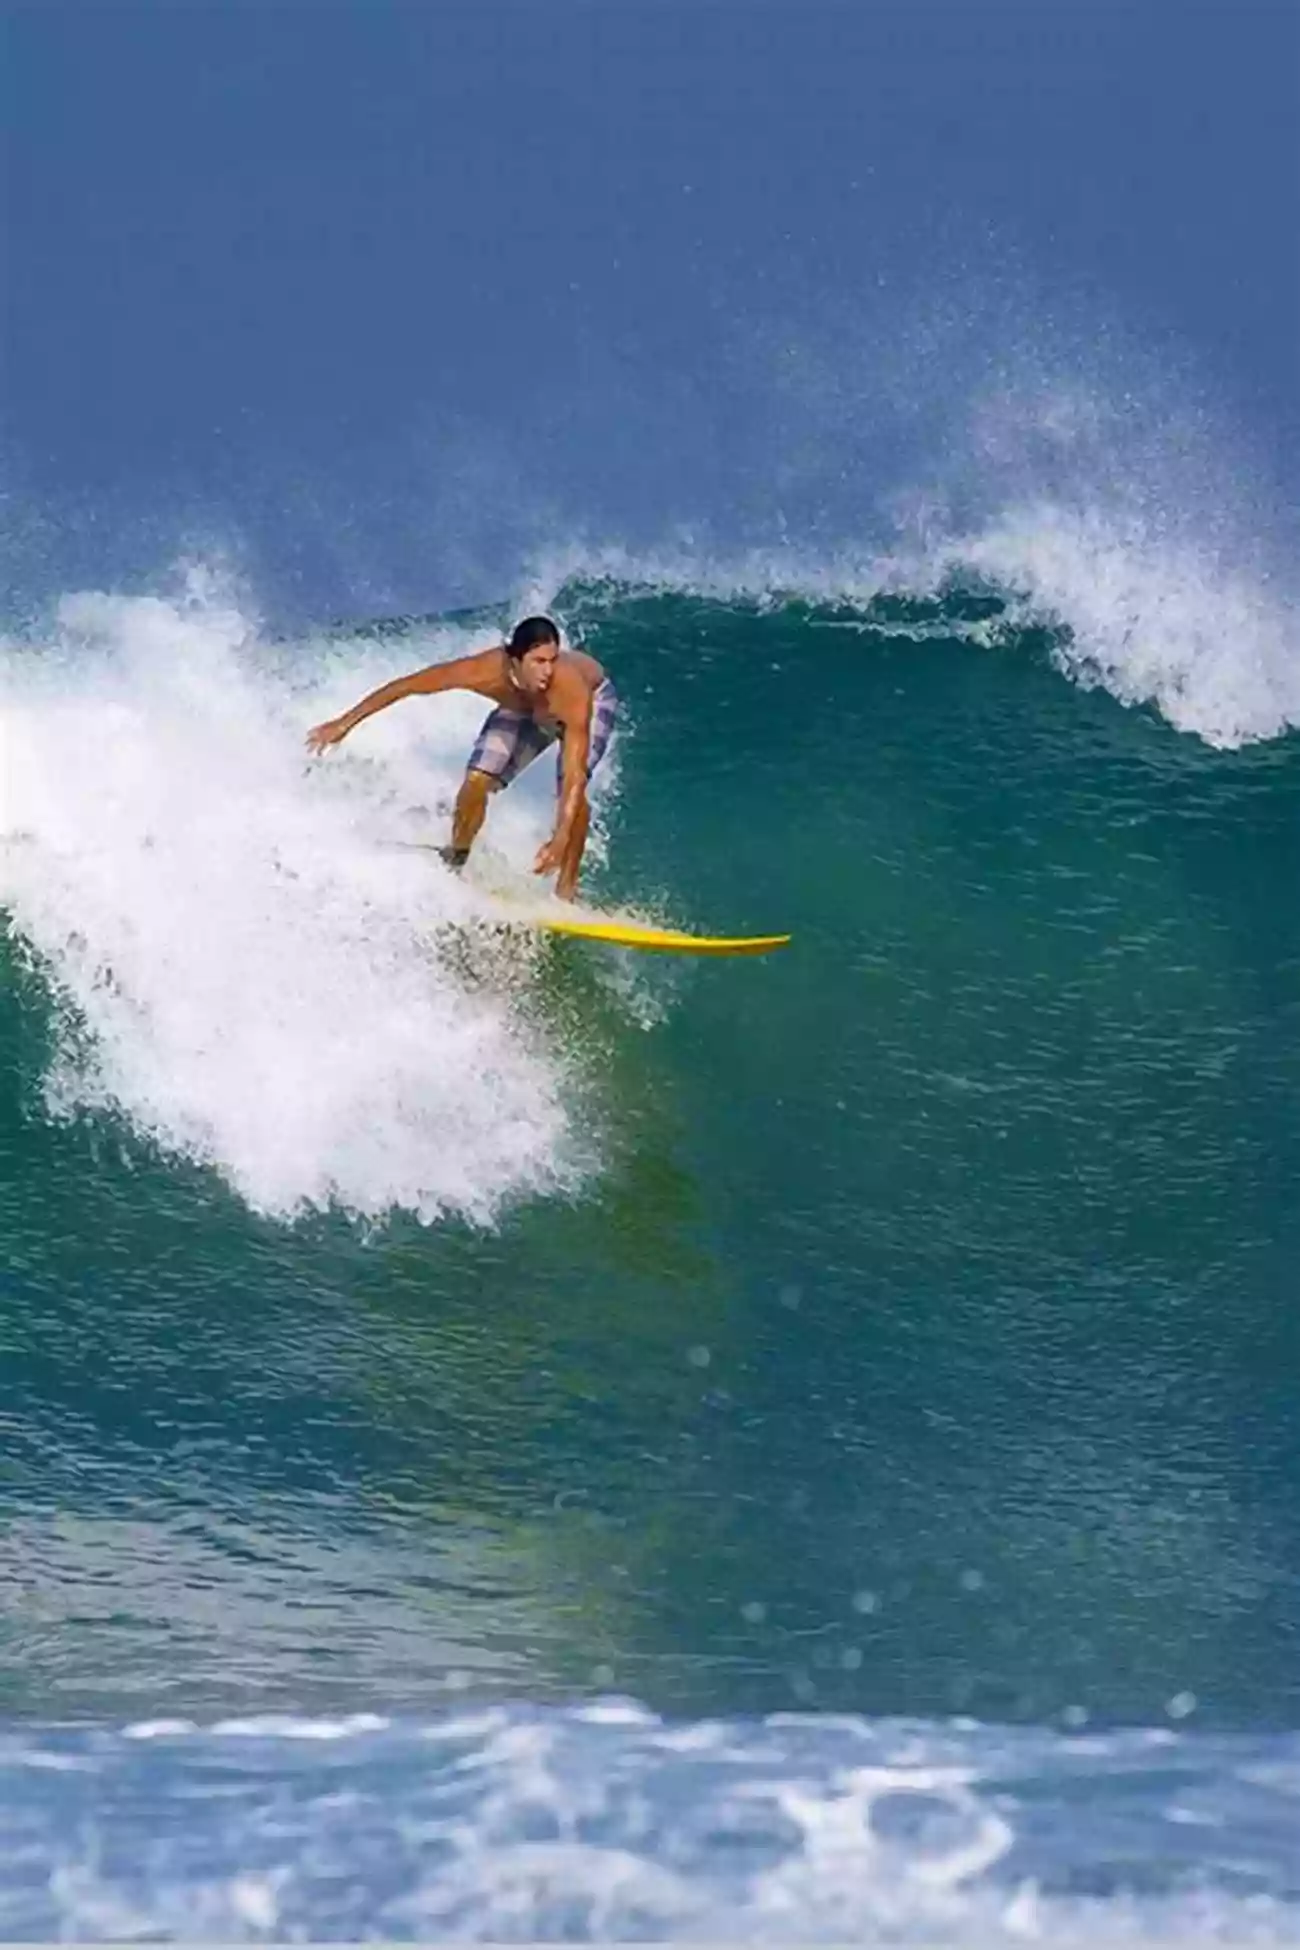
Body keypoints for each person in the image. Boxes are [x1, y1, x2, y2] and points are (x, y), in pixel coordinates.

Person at [305, 616, 617, 901]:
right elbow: (407, 686)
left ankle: (566, 888)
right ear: (515, 660)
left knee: (572, 792)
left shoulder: (568, 688)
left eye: (552, 660)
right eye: (538, 661)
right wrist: (344, 723)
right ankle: (457, 855)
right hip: (522, 707)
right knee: (477, 779)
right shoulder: (482, 671)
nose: (547, 670)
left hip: (590, 700)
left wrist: (560, 839)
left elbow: (574, 774)